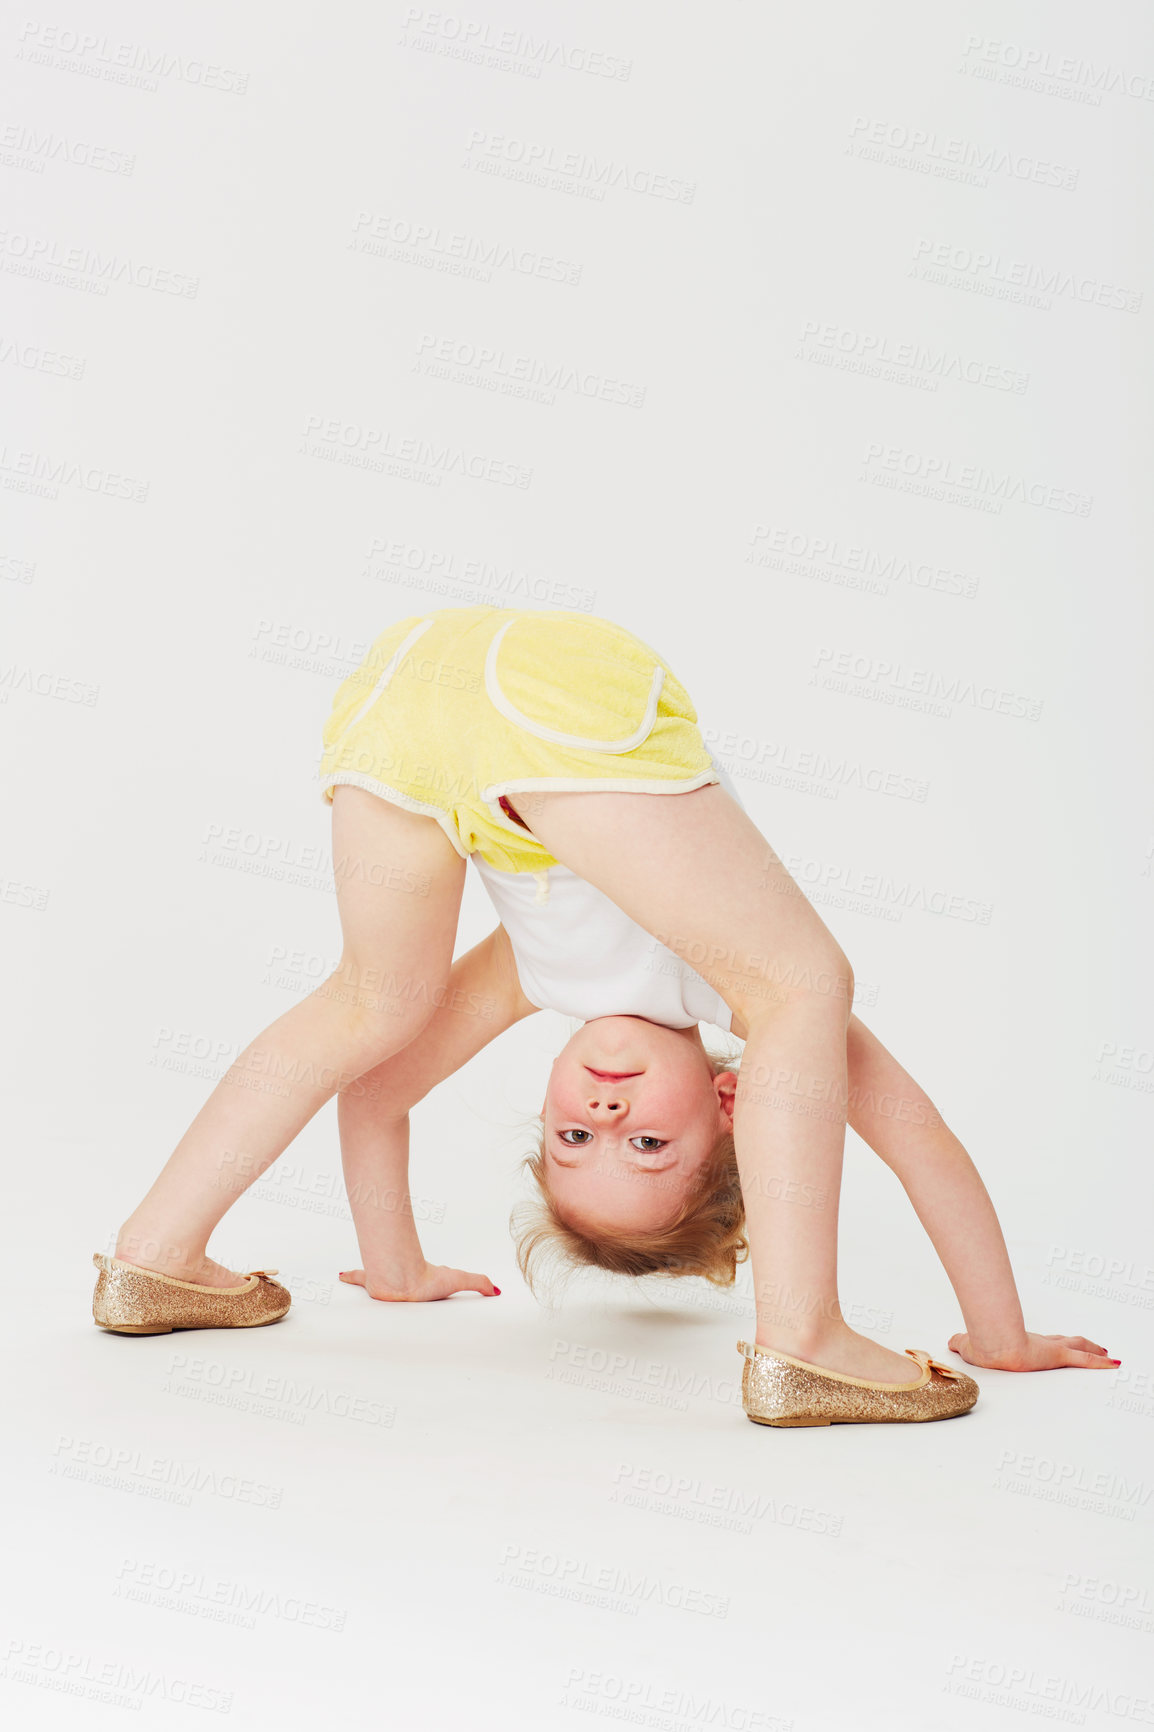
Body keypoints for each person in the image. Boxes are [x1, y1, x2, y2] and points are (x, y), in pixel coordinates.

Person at [92, 606, 1119, 1426]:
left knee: (372, 1004)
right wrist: (1000, 1332)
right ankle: (801, 1335)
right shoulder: (740, 1005)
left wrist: (397, 1267)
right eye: (649, 1141)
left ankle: (158, 1252)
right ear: (736, 1100)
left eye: (573, 1137)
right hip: (538, 702)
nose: (605, 1111)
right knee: (803, 985)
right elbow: (921, 1143)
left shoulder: (532, 978)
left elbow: (375, 1090)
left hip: (404, 703)